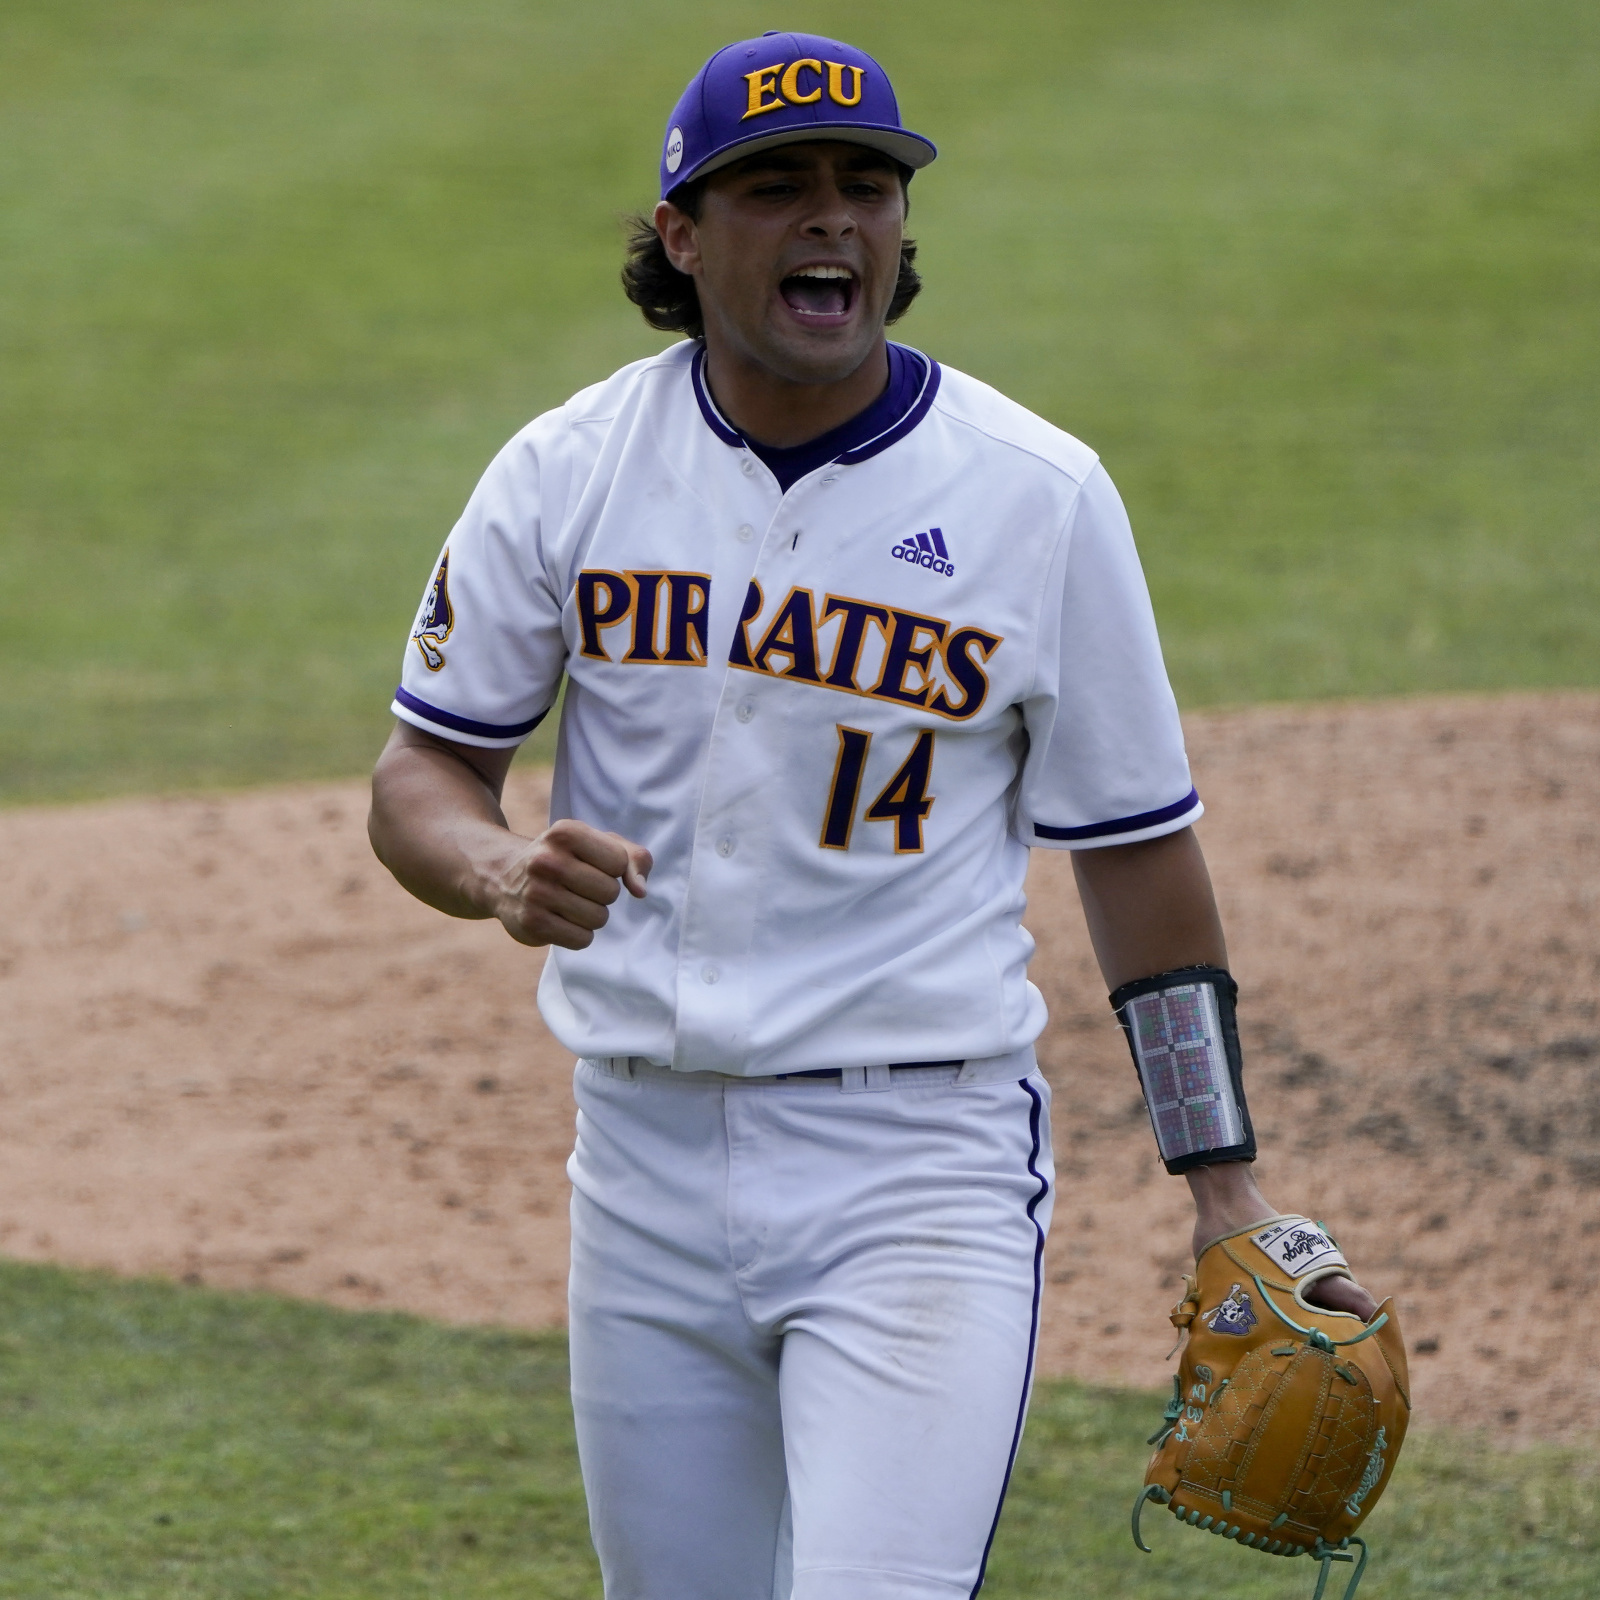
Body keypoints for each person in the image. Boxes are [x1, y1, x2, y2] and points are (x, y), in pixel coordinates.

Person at [368, 31, 1379, 1600]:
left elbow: (1135, 851)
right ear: (683, 238)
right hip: (637, 1156)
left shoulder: (1034, 496)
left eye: (867, 184)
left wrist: (1222, 1181)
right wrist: (498, 870)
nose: (834, 218)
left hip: (918, 1168)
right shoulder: (567, 471)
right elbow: (421, 774)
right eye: (777, 188)